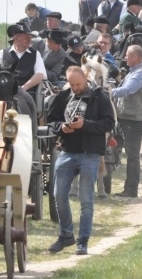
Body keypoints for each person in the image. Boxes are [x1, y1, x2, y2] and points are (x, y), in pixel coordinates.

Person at [47, 67, 116, 255]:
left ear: (86, 78)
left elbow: (109, 123)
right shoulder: (63, 97)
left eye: (78, 84)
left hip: (90, 154)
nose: (75, 88)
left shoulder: (99, 97)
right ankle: (66, 235)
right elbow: (51, 120)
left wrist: (85, 124)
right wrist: (61, 127)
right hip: (67, 152)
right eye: (72, 84)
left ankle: (83, 241)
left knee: (86, 200)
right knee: (58, 195)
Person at [110, 45, 142, 199]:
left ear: (136, 57)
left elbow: (128, 90)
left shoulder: (140, 74)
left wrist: (107, 92)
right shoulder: (133, 71)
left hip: (136, 120)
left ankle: (131, 190)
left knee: (132, 155)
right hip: (128, 117)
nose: (124, 57)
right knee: (128, 151)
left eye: (127, 55)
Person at [0, 22, 47, 97]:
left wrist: (23, 88)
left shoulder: (35, 54)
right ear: (15, 37)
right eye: (26, 37)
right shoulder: (1, 54)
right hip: (5, 93)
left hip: (28, 93)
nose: (29, 39)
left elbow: (40, 74)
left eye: (30, 37)